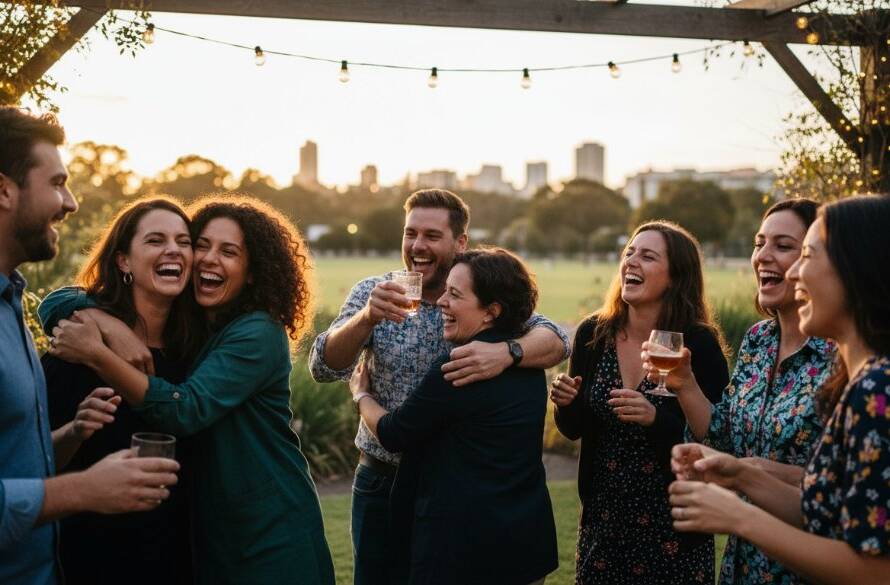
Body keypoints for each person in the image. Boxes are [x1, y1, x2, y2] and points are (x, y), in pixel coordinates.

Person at [45, 195, 335, 585]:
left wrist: (99, 352)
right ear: (123, 260)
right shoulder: (195, 327)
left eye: (228, 251)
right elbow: (58, 300)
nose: (205, 258)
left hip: (267, 530)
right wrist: (107, 323)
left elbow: (184, 410)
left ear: (253, 271)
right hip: (183, 540)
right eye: (202, 245)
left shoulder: (255, 332)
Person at [308, 189, 569, 585]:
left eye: (431, 235)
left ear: (459, 242)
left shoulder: (479, 293)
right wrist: (366, 318)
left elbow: (556, 338)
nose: (417, 245)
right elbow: (322, 367)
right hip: (382, 477)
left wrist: (507, 353)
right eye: (410, 233)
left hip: (449, 487)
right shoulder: (372, 292)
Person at [669, 194, 890, 585]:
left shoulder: (877, 388)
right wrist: (740, 473)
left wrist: (739, 515)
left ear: (857, 267)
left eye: (804, 254)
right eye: (759, 244)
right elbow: (823, 509)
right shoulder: (760, 341)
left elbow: (876, 569)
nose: (792, 273)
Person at [0, 106, 179, 585]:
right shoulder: (73, 344)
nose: (71, 201)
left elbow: (19, 462)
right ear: (4, 191)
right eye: (57, 182)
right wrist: (82, 490)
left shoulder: (10, 304)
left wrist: (73, 434)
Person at [641, 199, 833, 584]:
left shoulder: (843, 354)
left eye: (782, 246)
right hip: (742, 563)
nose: (762, 256)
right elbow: (724, 436)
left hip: (809, 564)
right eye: (759, 243)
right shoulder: (758, 340)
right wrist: (684, 384)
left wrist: (755, 473)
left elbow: (850, 482)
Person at [350, 248, 558, 585]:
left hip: (463, 546)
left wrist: (361, 395)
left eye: (455, 294)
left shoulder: (458, 367)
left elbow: (393, 433)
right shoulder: (524, 361)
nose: (442, 302)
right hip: (523, 539)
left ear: (491, 312)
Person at [550, 220, 730, 585]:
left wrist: (655, 419)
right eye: (629, 252)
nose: (631, 261)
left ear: (676, 276)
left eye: (647, 256)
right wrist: (566, 403)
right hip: (604, 522)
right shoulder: (594, 334)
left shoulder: (698, 342)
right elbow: (573, 430)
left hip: (675, 526)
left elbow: (718, 439)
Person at [43, 196, 201, 585]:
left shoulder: (199, 348)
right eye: (155, 240)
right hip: (91, 555)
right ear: (123, 261)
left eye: (184, 241)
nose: (173, 250)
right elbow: (36, 460)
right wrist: (78, 430)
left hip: (182, 555)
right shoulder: (80, 347)